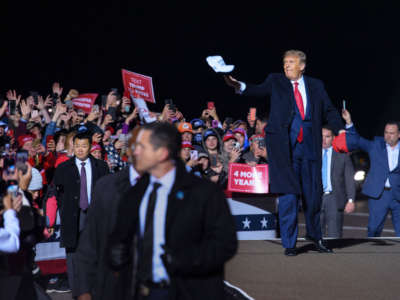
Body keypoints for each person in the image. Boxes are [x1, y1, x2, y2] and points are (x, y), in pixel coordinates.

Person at [224, 49, 343, 256]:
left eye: (291, 62)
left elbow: (329, 110)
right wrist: (238, 85)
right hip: (285, 149)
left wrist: (340, 129)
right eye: (285, 62)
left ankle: (316, 237)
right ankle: (290, 244)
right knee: (288, 197)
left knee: (313, 197)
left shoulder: (316, 85)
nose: (286, 65)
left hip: (310, 148)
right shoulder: (276, 81)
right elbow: (257, 90)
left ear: (302, 66)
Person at [108, 122, 238, 300]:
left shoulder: (204, 193)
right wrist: (116, 254)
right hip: (140, 292)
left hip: (190, 291)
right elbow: (119, 239)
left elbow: (226, 244)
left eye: (141, 147)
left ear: (162, 153)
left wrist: (186, 260)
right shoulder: (133, 193)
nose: (135, 152)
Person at [76, 128, 142, 300]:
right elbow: (89, 241)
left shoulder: (173, 188)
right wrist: (83, 290)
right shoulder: (107, 187)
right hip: (113, 284)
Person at [53, 131, 109, 298]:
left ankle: (95, 288)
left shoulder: (101, 166)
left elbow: (106, 191)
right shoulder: (63, 168)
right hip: (72, 215)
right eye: (77, 146)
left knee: (96, 250)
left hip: (94, 215)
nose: (80, 149)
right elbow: (58, 192)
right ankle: (77, 290)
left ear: (90, 147)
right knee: (73, 254)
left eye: (84, 146)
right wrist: (66, 208)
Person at [342, 109, 400, 237]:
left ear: (398, 134)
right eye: (386, 132)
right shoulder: (375, 145)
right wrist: (349, 122)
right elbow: (356, 140)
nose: (388, 136)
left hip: (398, 195)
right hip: (379, 194)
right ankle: (372, 256)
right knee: (373, 230)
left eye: (392, 133)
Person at [320, 126, 356, 238]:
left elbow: (349, 178)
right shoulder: (312, 154)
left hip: (334, 198)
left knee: (334, 236)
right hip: (316, 197)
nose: (324, 140)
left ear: (333, 138)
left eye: (327, 137)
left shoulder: (342, 155)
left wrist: (351, 200)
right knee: (315, 235)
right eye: (321, 136)